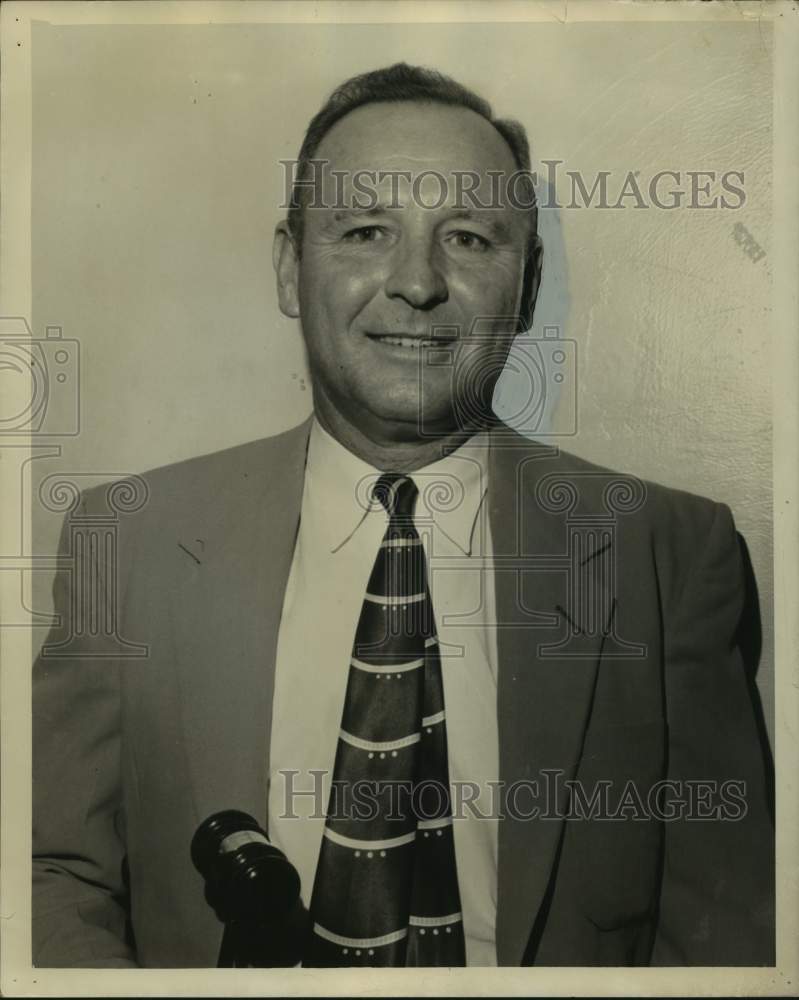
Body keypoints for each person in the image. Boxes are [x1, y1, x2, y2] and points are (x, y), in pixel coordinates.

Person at [32, 62, 774, 968]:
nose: (416, 282)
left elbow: (727, 928)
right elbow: (50, 875)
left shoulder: (667, 552)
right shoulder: (132, 540)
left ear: (527, 285)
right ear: (287, 267)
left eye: (467, 238)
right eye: (364, 230)